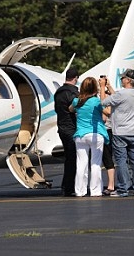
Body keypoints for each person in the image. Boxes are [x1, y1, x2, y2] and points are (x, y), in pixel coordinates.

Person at [99, 69, 134, 197]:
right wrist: (110, 87)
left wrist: (102, 87)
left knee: (121, 161)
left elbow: (103, 102)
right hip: (133, 132)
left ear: (128, 80)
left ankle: (123, 189)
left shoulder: (121, 94)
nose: (121, 80)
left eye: (123, 78)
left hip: (120, 132)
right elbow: (119, 99)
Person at [69, 77, 109, 197]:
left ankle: (80, 190)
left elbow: (70, 109)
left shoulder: (77, 101)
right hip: (96, 134)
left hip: (80, 135)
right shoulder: (96, 102)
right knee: (95, 163)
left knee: (81, 163)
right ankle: (95, 190)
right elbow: (107, 111)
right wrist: (102, 88)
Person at [54, 68, 79, 196]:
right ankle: (70, 187)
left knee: (69, 158)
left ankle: (67, 186)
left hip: (62, 128)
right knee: (74, 159)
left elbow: (57, 110)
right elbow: (76, 110)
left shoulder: (58, 92)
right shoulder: (73, 92)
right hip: (72, 129)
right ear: (75, 78)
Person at [101, 97, 115, 196]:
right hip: (103, 132)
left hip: (106, 132)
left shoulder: (108, 102)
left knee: (107, 159)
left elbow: (104, 117)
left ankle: (111, 185)